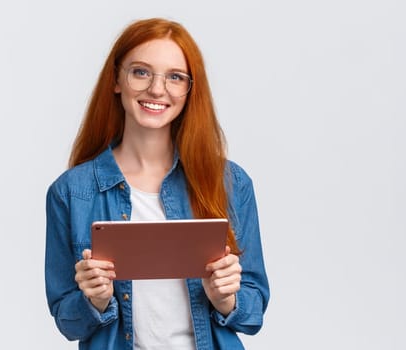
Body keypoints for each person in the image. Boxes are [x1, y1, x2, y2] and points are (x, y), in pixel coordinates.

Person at [44, 18, 270, 350]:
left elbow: (254, 313)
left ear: (189, 90)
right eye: (141, 72)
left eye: (175, 77)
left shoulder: (230, 183)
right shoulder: (72, 192)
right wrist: (95, 300)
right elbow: (67, 321)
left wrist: (226, 299)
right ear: (117, 79)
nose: (157, 89)